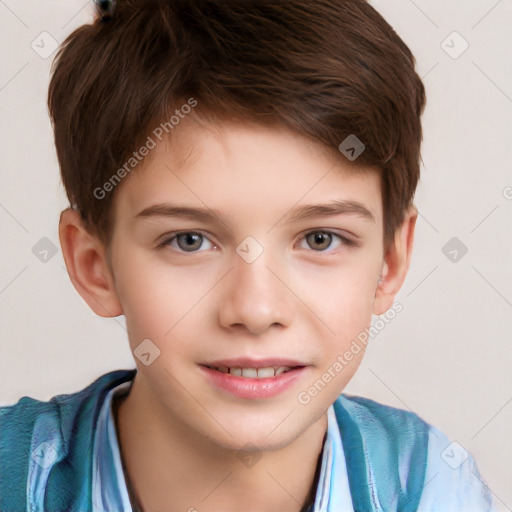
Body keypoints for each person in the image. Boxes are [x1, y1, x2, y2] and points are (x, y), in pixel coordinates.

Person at [0, 0, 497, 510]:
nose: (257, 311)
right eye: (188, 241)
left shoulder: (433, 487)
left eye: (320, 239)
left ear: (390, 263)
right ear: (94, 266)